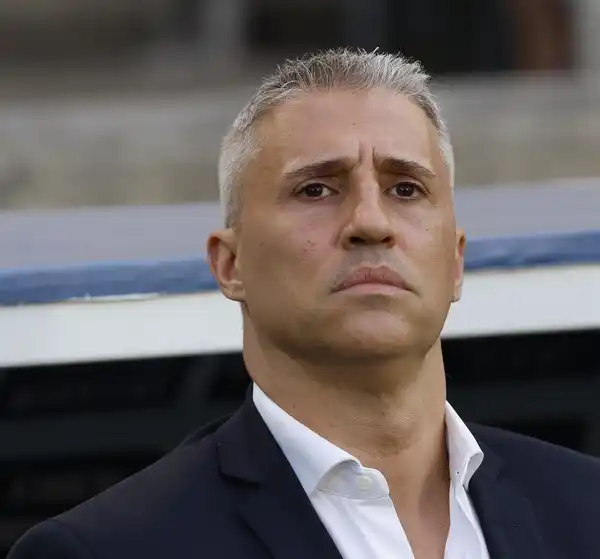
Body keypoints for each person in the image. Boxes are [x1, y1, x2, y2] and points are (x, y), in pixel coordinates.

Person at [8, 47, 600, 559]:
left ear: (456, 260)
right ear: (230, 264)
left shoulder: (584, 507)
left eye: (406, 188)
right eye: (316, 189)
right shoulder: (108, 549)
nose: (370, 222)